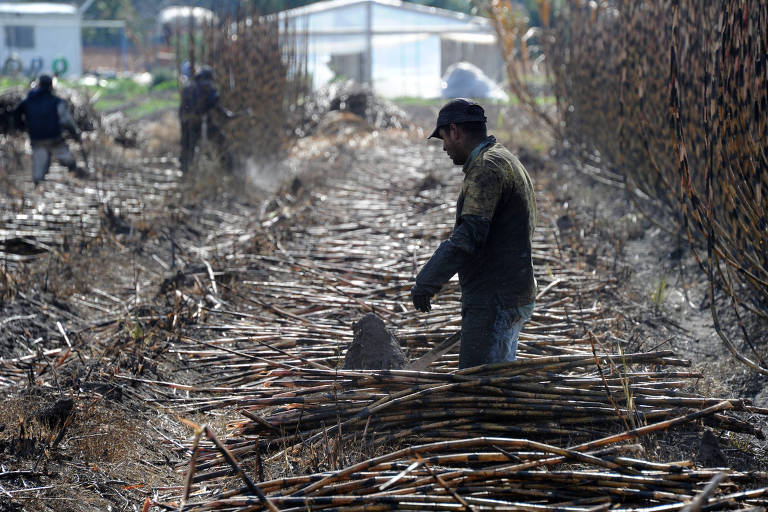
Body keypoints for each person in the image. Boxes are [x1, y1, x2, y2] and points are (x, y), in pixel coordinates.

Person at [410, 98, 537, 369]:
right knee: (496, 383)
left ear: (455, 131)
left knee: (478, 388)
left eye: (443, 137)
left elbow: (469, 235)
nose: (444, 146)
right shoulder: (504, 159)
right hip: (510, 292)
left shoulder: (486, 168)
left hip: (495, 299)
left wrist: (427, 280)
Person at [13, 74, 86, 187]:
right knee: (68, 159)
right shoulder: (57, 101)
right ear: (51, 86)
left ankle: (37, 187)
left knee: (38, 169)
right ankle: (78, 177)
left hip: (37, 139)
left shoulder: (28, 100)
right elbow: (66, 121)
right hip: (54, 138)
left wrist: (22, 127)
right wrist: (75, 133)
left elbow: (16, 112)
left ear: (38, 85)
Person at [179, 65, 234, 173]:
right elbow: (215, 104)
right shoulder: (209, 86)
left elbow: (181, 110)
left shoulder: (187, 87)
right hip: (202, 123)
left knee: (187, 148)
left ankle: (185, 172)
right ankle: (228, 170)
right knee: (221, 141)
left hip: (187, 123)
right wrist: (227, 114)